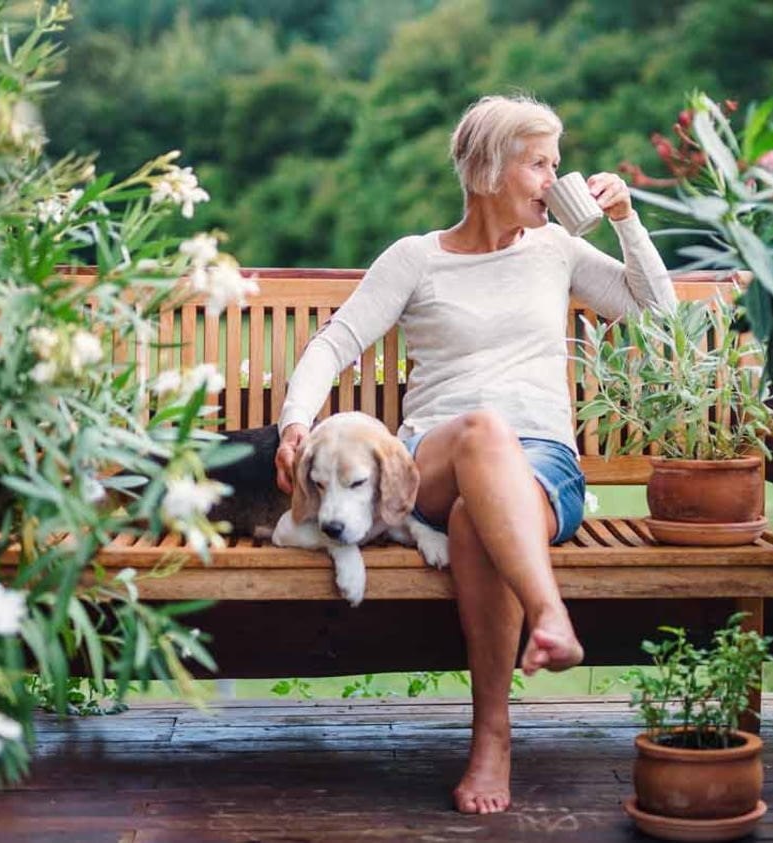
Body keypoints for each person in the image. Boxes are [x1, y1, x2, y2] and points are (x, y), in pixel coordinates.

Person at [274, 94, 675, 814]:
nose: (555, 180)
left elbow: (658, 315)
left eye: (557, 164)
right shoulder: (416, 259)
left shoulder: (557, 250)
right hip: (430, 458)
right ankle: (550, 613)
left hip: (544, 467)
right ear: (491, 170)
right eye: (539, 164)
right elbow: (335, 342)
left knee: (471, 523)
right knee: (484, 430)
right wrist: (293, 424)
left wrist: (626, 220)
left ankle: (492, 737)